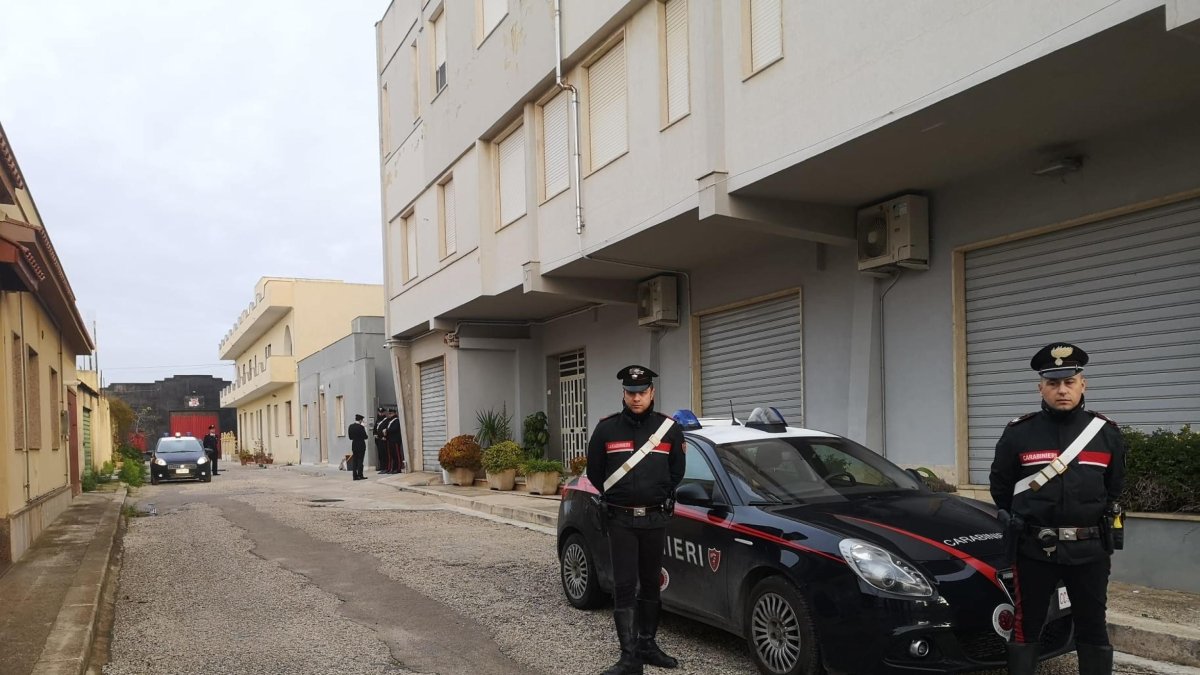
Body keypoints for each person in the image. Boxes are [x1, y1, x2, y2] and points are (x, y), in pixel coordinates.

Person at [989, 343, 1126, 675]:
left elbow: (1114, 489)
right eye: (1053, 383)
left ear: (1083, 385)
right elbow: (1001, 489)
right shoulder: (1018, 433)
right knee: (1026, 625)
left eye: (1070, 382)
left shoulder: (1105, 434)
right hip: (1035, 549)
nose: (1062, 390)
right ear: (1041, 387)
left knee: (1093, 625)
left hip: (1090, 550)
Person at [586, 365, 686, 675]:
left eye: (642, 392)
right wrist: (620, 498)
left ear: (652, 393)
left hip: (655, 519)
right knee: (625, 586)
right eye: (631, 393)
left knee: (652, 586)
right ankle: (629, 658)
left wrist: (657, 493)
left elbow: (677, 471)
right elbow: (594, 472)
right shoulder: (606, 429)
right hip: (622, 521)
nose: (637, 398)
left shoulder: (668, 429)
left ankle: (647, 645)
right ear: (624, 394)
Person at [348, 414, 368, 480]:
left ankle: (354, 476)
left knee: (354, 461)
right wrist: (363, 427)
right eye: (362, 420)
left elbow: (350, 437)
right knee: (360, 461)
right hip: (361, 445)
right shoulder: (361, 427)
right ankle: (360, 475)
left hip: (354, 445)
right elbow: (365, 437)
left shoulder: (350, 426)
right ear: (360, 420)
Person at [385, 408, 405, 473]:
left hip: (395, 440)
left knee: (397, 455)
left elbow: (395, 429)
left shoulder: (396, 420)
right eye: (389, 414)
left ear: (394, 413)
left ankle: (398, 468)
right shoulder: (389, 421)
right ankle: (392, 468)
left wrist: (387, 430)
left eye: (391, 413)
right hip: (390, 440)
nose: (390, 415)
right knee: (392, 455)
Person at [373, 407, 390, 474]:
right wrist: (374, 434)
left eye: (382, 412)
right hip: (378, 440)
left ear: (384, 413)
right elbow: (375, 429)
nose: (380, 413)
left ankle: (386, 468)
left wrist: (385, 436)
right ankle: (382, 467)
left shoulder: (386, 420)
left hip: (383, 440)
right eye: (379, 412)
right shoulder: (377, 420)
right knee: (380, 454)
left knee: (384, 454)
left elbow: (387, 430)